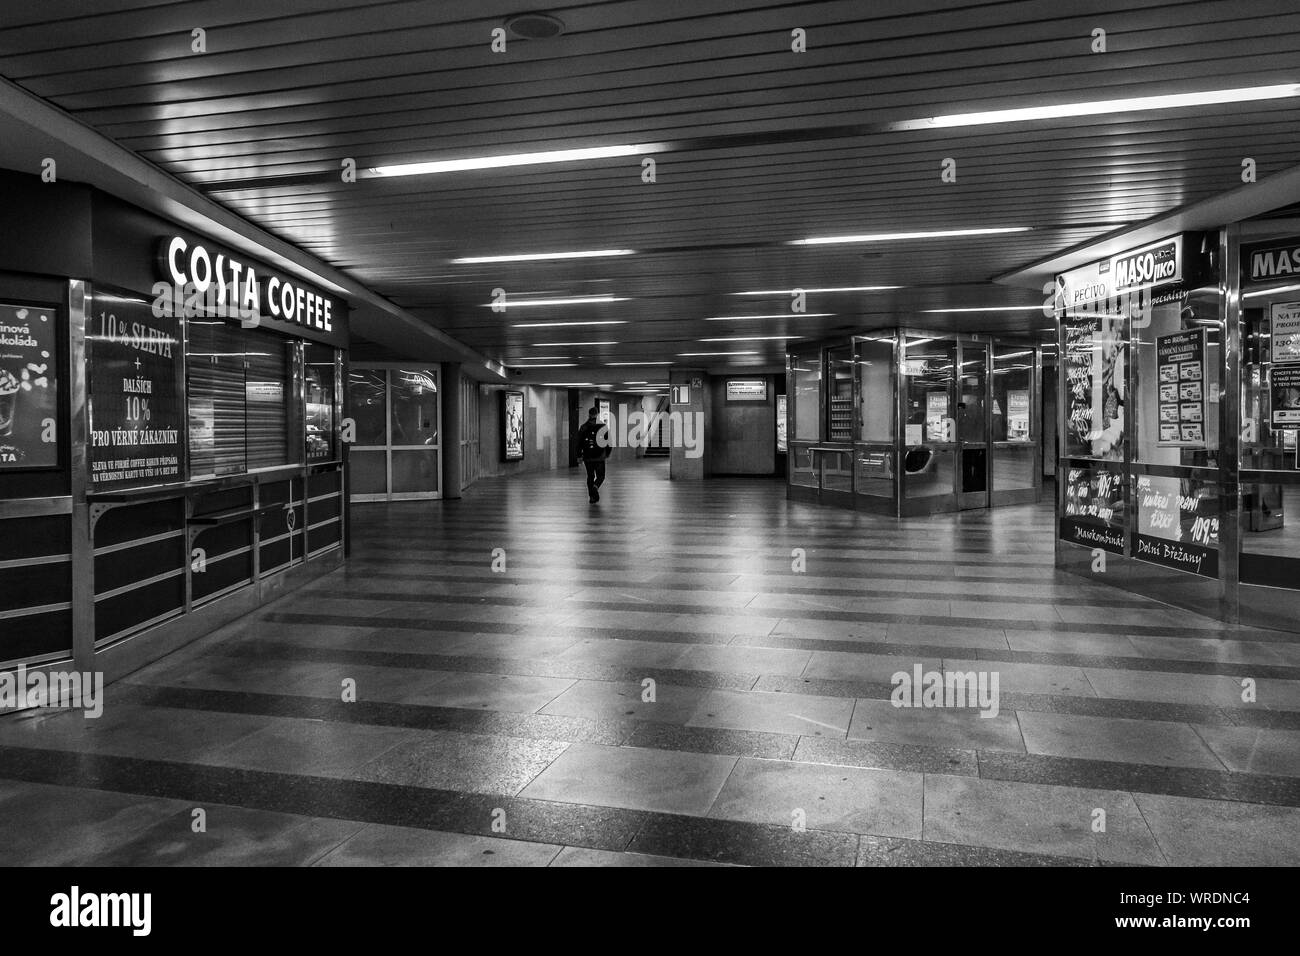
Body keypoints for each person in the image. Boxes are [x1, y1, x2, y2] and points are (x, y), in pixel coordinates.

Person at [576, 405, 611, 502]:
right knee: (601, 476)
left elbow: (578, 442)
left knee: (590, 476)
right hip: (600, 456)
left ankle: (592, 497)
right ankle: (595, 488)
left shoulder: (583, 427)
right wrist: (607, 453)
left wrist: (579, 455)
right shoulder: (602, 426)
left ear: (589, 414)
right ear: (597, 414)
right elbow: (609, 441)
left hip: (588, 456)